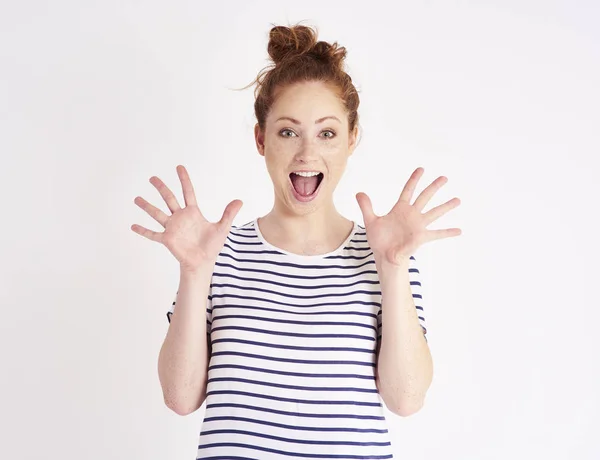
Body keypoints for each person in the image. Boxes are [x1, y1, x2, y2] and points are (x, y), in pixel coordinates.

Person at [131, 23, 461, 460]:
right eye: (288, 132)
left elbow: (406, 400)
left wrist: (394, 269)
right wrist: (194, 273)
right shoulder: (215, 253)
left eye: (327, 133)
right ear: (261, 140)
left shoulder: (385, 256)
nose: (307, 153)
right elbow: (180, 397)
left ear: (351, 140)